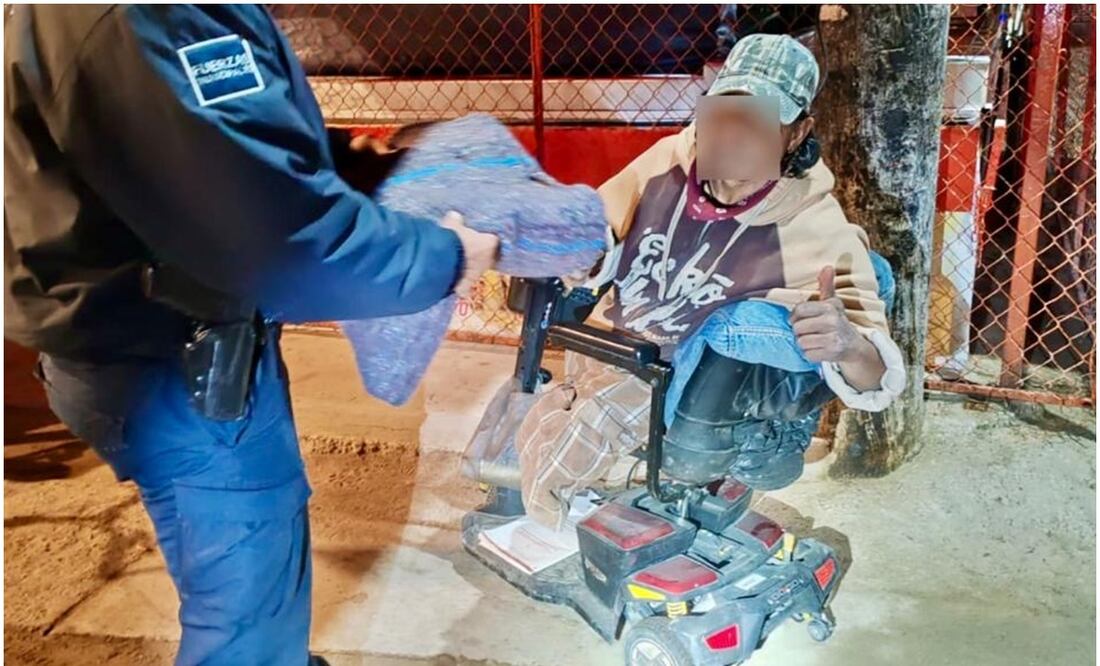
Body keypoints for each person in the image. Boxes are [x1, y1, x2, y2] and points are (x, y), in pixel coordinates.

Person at [4, 5, 498, 665]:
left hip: (149, 340)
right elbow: (276, 243)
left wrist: (367, 166)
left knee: (250, 589)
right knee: (246, 620)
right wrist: (446, 258)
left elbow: (221, 149)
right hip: (176, 362)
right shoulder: (153, 14)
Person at [514, 34, 907, 528]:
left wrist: (848, 345)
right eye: (724, 111)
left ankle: (766, 441)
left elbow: (878, 376)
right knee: (555, 410)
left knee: (602, 421)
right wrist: (584, 253)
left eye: (759, 119)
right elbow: (601, 229)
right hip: (617, 344)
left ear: (796, 133)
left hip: (684, 379)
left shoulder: (817, 225)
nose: (733, 133)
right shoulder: (668, 159)